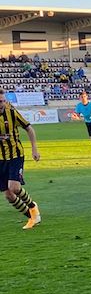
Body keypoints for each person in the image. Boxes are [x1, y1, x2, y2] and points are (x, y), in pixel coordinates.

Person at [0, 89, 41, 229]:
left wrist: (34, 148)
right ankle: (32, 217)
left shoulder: (11, 113)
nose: (2, 103)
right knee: (9, 196)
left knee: (14, 187)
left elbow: (29, 128)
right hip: (0, 159)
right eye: (0, 101)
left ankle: (33, 207)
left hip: (15, 155)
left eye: (3, 101)